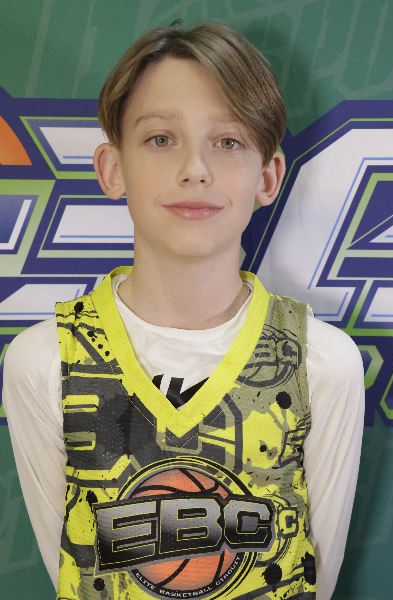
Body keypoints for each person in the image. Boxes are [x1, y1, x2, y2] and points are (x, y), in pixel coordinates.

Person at [3, 22, 364, 600]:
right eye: (160, 139)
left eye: (228, 142)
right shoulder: (45, 361)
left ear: (268, 176)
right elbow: (73, 571)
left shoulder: (320, 362)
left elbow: (316, 576)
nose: (195, 168)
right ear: (112, 168)